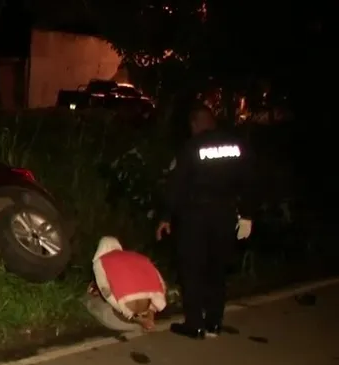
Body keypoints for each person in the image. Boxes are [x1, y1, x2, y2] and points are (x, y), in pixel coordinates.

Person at [155, 103, 255, 339]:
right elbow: (249, 180)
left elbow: (176, 184)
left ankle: (194, 324)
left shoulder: (192, 147)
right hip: (226, 214)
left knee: (193, 268)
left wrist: (166, 216)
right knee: (217, 269)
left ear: (195, 124)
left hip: (196, 216)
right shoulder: (235, 146)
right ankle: (214, 322)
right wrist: (247, 215)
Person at [88, 236, 167, 331]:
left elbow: (105, 290)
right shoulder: (138, 256)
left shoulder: (100, 262)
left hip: (128, 305)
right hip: (146, 302)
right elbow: (161, 282)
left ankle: (140, 321)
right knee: (147, 294)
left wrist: (122, 309)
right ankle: (150, 317)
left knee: (99, 306)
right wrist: (157, 302)